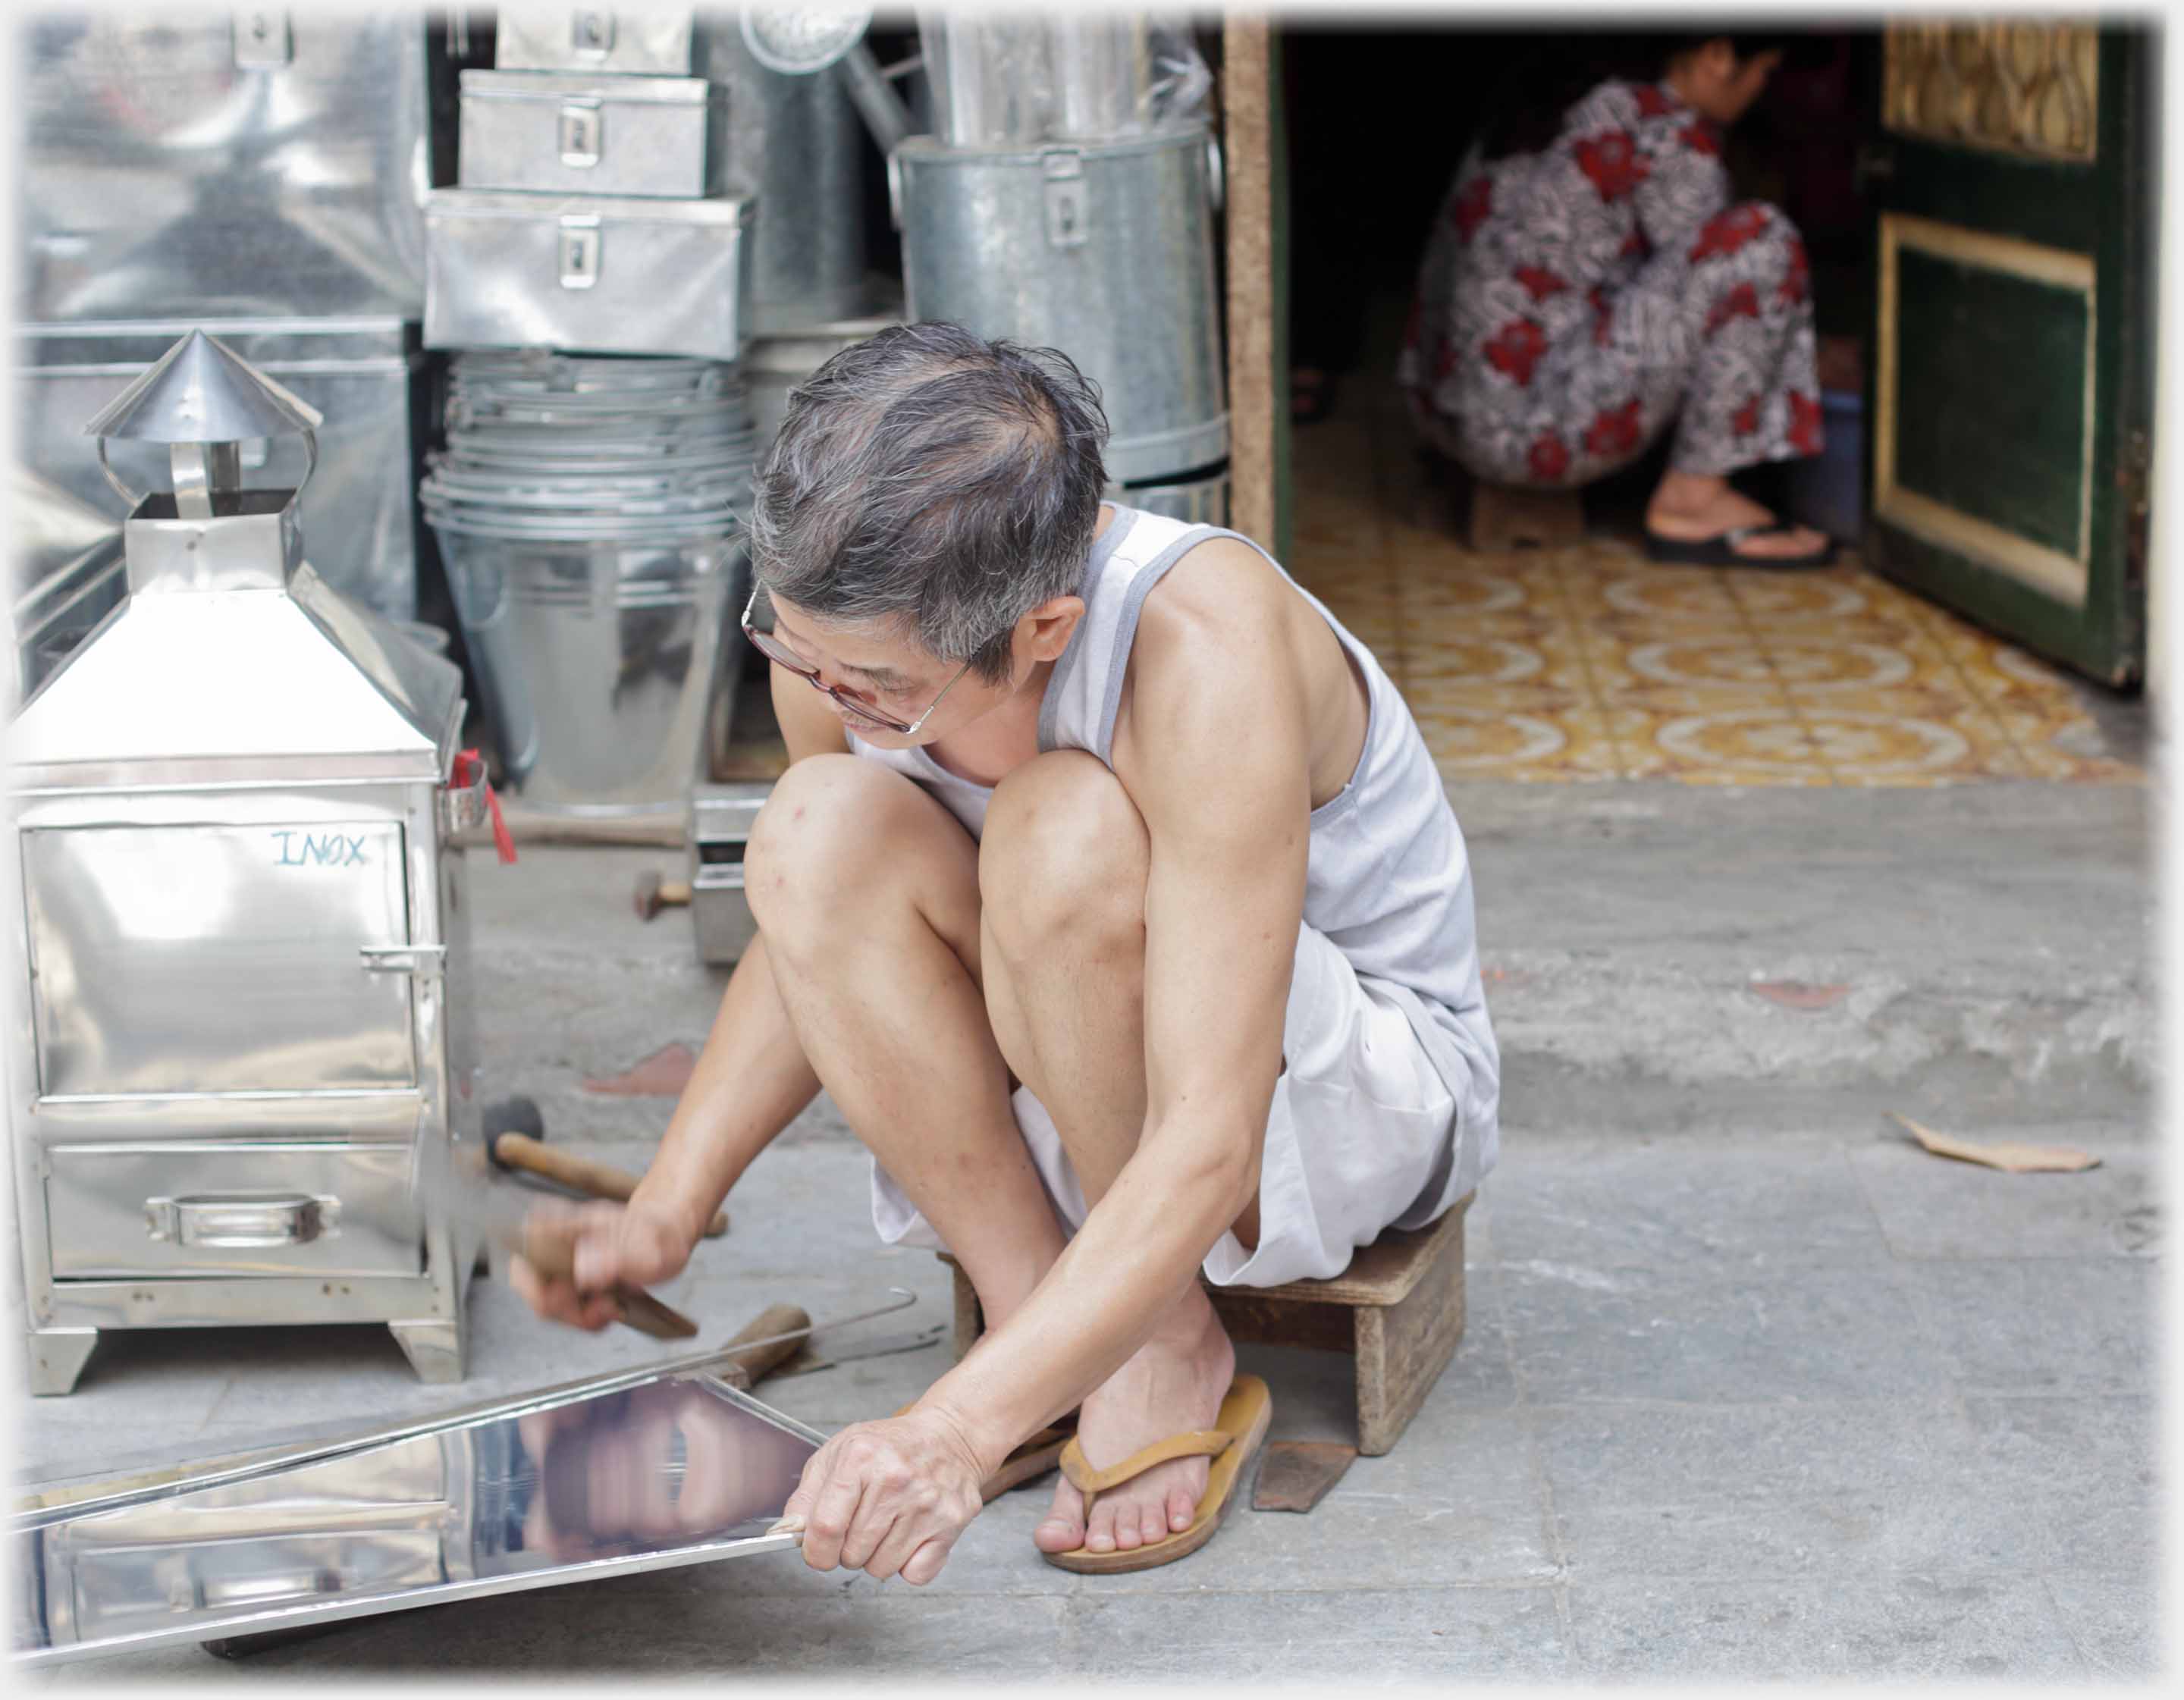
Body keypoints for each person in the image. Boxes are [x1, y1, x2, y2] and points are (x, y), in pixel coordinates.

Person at [510, 322, 1500, 1583]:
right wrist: (668, 1207)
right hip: (1085, 1041)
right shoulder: (839, 644)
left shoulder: (1200, 645)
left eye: (872, 680)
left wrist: (953, 1431)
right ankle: (1047, 1324)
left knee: (1058, 828)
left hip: (1343, 1099)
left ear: (1045, 628)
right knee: (812, 822)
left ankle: (1156, 1345)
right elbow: (815, 928)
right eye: (791, 643)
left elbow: (1213, 1129)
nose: (824, 688)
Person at [1400, 33, 1834, 566]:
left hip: (1446, 416)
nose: (1761, 92)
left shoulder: (1546, 93)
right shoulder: (1656, 122)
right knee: (1761, 241)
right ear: (1717, 56)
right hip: (1528, 436)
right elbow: (1726, 305)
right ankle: (1693, 503)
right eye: (1764, 72)